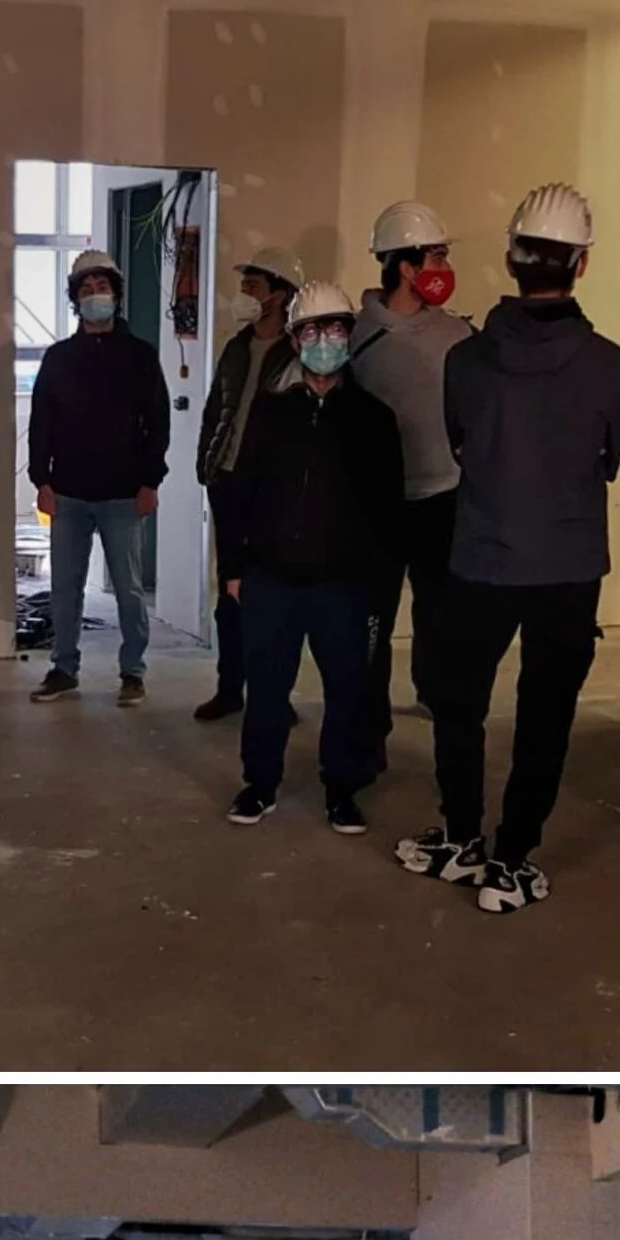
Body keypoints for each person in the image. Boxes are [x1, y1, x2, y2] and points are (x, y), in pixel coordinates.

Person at [395, 182, 620, 916]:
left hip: (482, 558)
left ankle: (463, 838)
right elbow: (609, 456)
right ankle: (512, 861)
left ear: (511, 258)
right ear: (581, 265)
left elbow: (461, 445)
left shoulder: (465, 360)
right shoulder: (609, 363)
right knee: (545, 711)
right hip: (567, 568)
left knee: (460, 703)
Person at [218, 280, 404, 835]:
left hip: (343, 587)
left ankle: (341, 790)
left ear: (350, 336)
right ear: (297, 342)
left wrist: (379, 583)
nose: (325, 340)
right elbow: (238, 492)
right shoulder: (271, 414)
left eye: (336, 329)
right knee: (267, 690)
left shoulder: (373, 419)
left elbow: (388, 508)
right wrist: (233, 567)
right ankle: (260, 786)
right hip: (270, 578)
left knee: (347, 693)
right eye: (313, 331)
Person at [353, 199, 475, 752]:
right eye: (436, 255)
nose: (443, 268)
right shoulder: (355, 339)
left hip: (444, 499)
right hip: (376, 507)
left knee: (445, 618)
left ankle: (439, 699)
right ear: (405, 265)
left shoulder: (461, 336)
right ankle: (370, 729)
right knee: (372, 624)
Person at [26, 246, 170, 706]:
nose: (94, 295)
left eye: (101, 287)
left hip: (124, 496)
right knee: (65, 589)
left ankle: (133, 672)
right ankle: (63, 669)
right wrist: (41, 481)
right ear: (76, 299)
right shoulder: (59, 358)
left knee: (128, 589)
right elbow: (41, 422)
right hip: (66, 494)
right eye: (85, 289)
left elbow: (158, 423)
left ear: (116, 295)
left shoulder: (140, 357)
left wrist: (151, 481)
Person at [193, 244, 303, 722]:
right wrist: (207, 465)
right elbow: (216, 408)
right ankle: (229, 688)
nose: (244, 294)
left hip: (272, 493)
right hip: (230, 483)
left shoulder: (299, 350)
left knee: (274, 598)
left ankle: (273, 696)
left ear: (280, 295)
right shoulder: (237, 347)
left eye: (253, 286)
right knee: (230, 594)